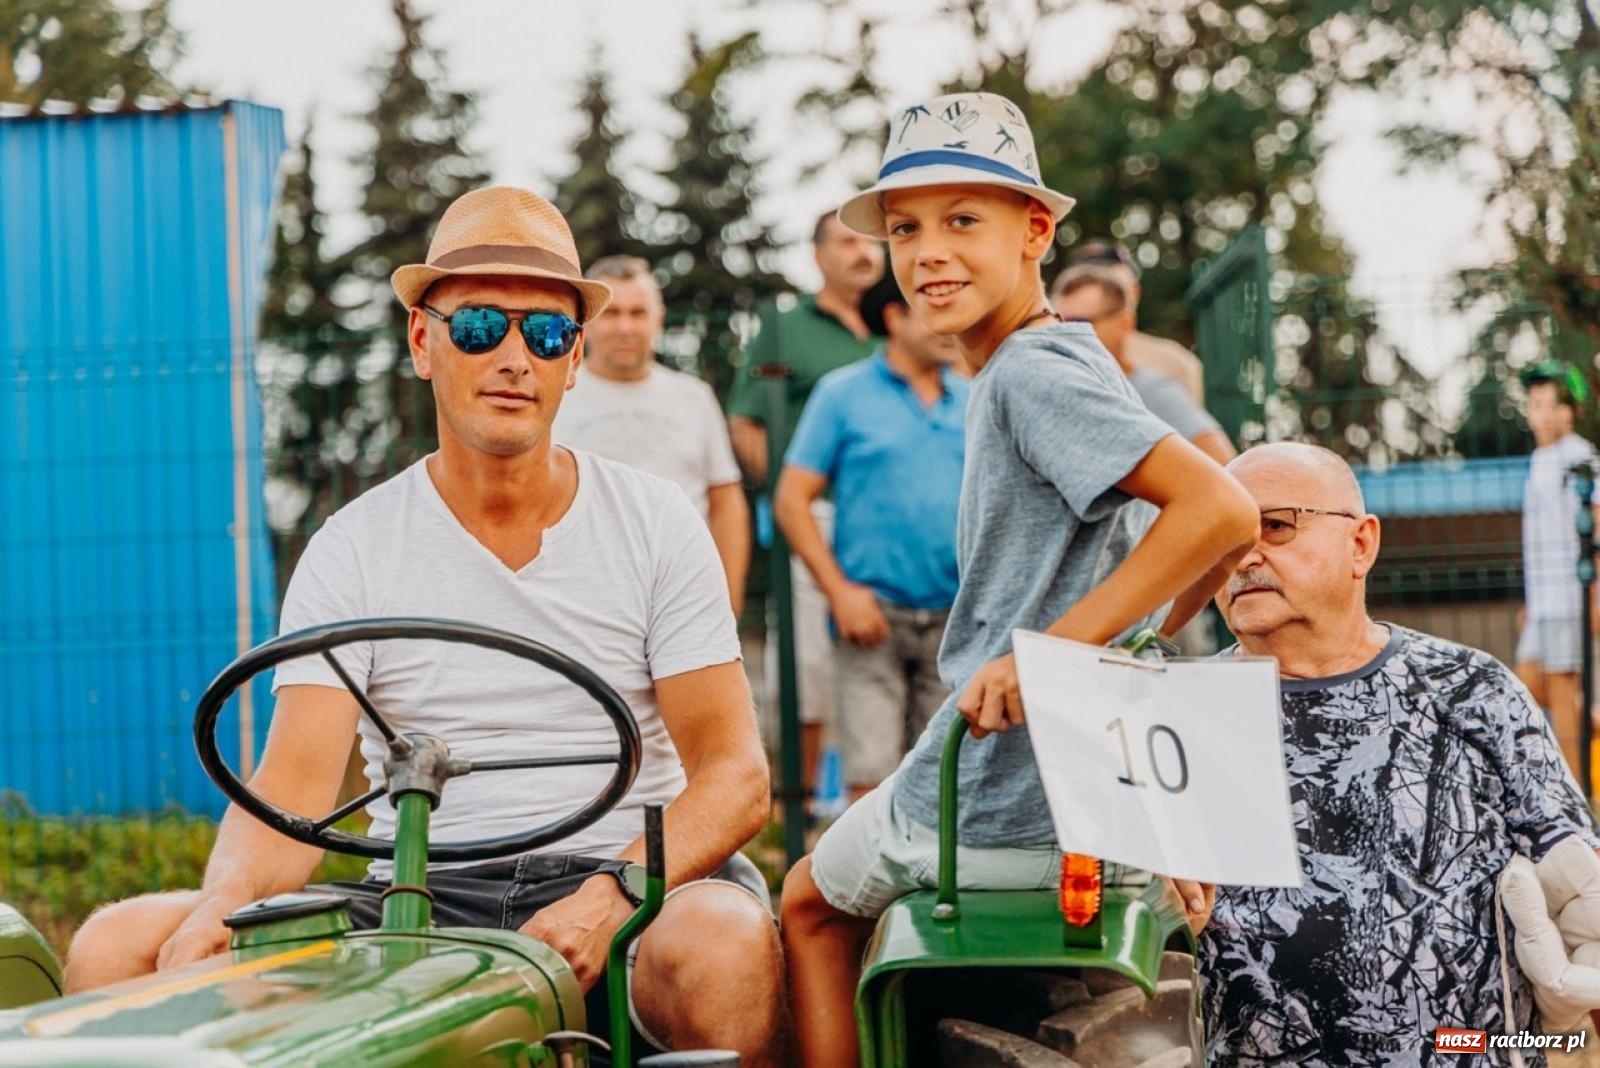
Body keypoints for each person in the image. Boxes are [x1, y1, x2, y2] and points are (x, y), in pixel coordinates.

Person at [64, 187, 786, 1066]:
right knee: (118, 946)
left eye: (546, 333)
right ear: (422, 341)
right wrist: (222, 904)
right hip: (417, 889)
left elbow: (736, 776)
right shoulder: (354, 547)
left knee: (722, 940)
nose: (515, 356)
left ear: (574, 360)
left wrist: (612, 891)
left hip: (627, 881)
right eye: (480, 326)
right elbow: (295, 781)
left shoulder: (656, 521)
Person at [777, 91, 1261, 1067]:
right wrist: (1128, 646)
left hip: (1000, 791)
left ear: (1035, 230)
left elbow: (1223, 512)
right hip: (1077, 782)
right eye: (906, 229)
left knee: (804, 906)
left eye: (964, 221)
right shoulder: (1051, 364)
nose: (926, 253)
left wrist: (1050, 655)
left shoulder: (1030, 372)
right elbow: (1193, 551)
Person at [1202, 441, 1599, 1065]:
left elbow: (1582, 893)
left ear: (1360, 544)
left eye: (1274, 526)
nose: (1245, 556)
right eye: (1223, 538)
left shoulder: (1472, 692)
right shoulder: (1180, 715)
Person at [773, 269, 969, 801]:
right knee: (871, 779)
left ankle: (932, 886)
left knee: (945, 783)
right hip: (871, 619)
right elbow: (791, 499)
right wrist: (839, 592)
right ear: (895, 317)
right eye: (932, 307)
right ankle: (869, 887)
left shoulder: (975, 396)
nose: (951, 324)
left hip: (957, 620)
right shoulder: (842, 394)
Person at [726, 210, 884, 796]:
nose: (863, 253)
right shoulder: (785, 326)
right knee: (810, 666)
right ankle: (799, 810)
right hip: (815, 517)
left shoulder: (905, 324)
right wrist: (798, 490)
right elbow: (746, 423)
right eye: (847, 242)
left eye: (872, 243)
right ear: (818, 256)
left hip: (894, 524)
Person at [552, 254, 750, 615]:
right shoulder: (554, 397)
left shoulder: (695, 397)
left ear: (658, 320)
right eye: (612, 313)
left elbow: (726, 502)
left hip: (685, 596)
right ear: (586, 324)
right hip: (580, 600)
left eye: (638, 313)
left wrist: (728, 601)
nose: (625, 327)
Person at [1053, 265, 1236, 465]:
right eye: (1056, 323)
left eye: (1078, 323)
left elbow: (1226, 465)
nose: (1064, 335)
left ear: (1124, 324)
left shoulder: (1152, 392)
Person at [1514, 360, 1597, 778]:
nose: (1543, 414)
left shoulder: (1580, 458)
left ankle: (1577, 797)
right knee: (1526, 684)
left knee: (1563, 694)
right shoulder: (1537, 460)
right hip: (1542, 601)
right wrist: (1529, 602)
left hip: (1569, 596)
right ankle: (1591, 729)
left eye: (1552, 405)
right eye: (1535, 404)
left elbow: (1596, 522)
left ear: (1570, 411)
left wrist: (1596, 593)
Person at [1061, 238, 1205, 405]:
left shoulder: (1176, 364)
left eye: (1114, 287)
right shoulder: (1053, 362)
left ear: (1134, 292)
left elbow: (1192, 428)